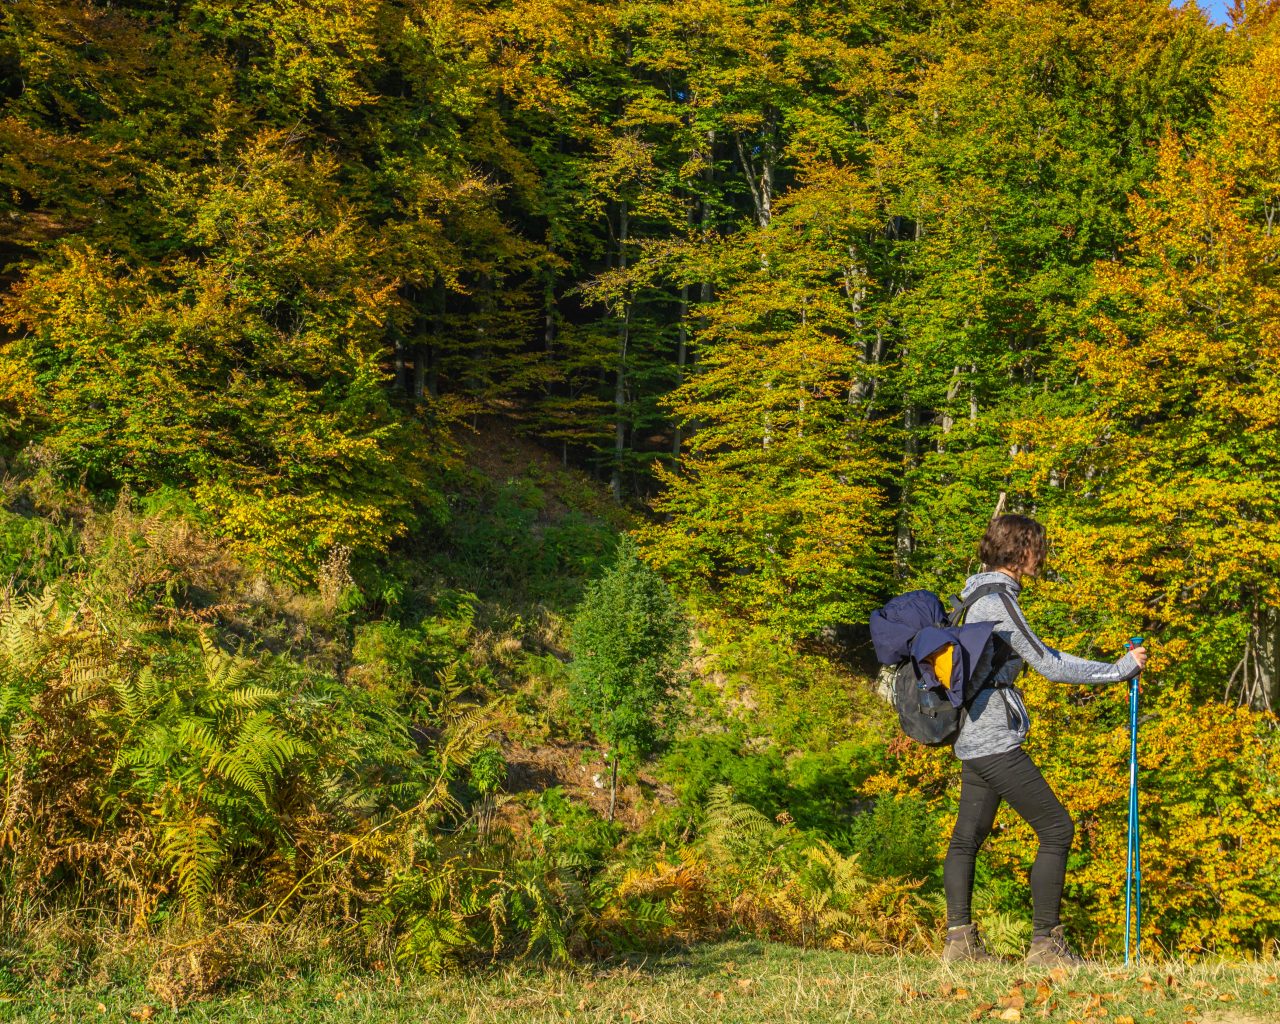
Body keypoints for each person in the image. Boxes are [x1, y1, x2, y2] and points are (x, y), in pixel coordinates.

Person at [941, 514, 1147, 966]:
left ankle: (960, 945)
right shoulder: (996, 601)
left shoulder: (971, 594)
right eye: (1038, 547)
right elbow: (1048, 663)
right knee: (1057, 828)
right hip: (994, 737)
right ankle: (1046, 945)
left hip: (971, 736)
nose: (1042, 555)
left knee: (966, 839)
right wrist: (1118, 670)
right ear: (1021, 551)